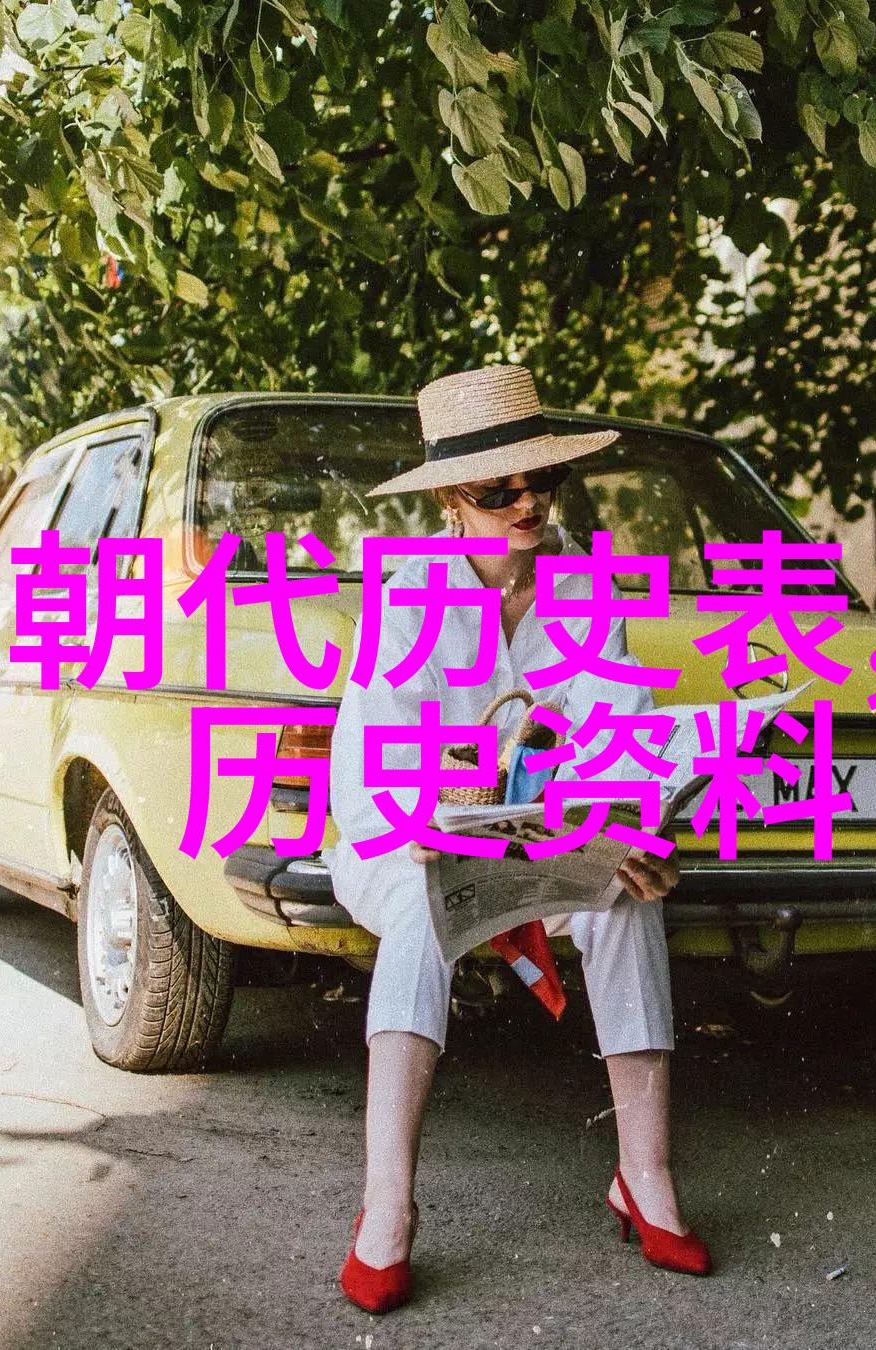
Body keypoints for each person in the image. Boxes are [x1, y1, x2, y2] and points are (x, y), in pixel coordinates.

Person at [323, 364, 712, 1314]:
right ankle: (388, 1207)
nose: (529, 502)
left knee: (625, 898)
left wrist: (626, 825)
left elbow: (617, 734)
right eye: (501, 489)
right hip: (409, 846)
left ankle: (645, 1175)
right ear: (452, 500)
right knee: (422, 915)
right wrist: (457, 812)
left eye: (543, 481)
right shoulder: (404, 598)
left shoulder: (586, 591)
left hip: (542, 845)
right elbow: (383, 781)